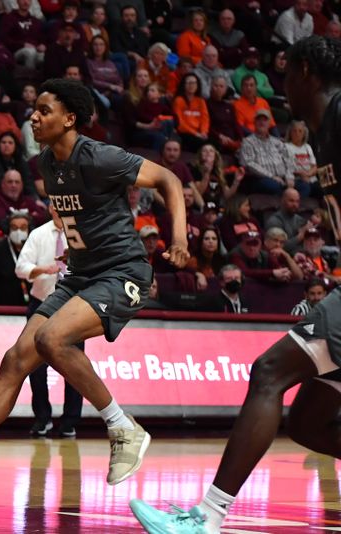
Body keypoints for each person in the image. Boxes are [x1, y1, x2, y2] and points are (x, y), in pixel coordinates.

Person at [0, 78, 189, 506]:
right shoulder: (48, 165)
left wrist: (178, 238)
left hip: (123, 271)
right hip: (80, 274)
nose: (33, 115)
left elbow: (168, 180)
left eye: (45, 110)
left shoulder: (99, 156)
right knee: (15, 359)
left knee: (51, 339)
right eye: (34, 108)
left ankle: (123, 427)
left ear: (70, 118)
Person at [129, 35, 341, 534]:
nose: (279, 84)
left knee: (268, 373)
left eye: (286, 71)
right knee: (309, 422)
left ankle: (206, 517)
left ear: (306, 70)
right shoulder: (324, 129)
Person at [16, 204, 83, 437]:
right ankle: (42, 418)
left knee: (74, 365)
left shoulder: (79, 233)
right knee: (35, 365)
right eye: (55, 205)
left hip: (72, 307)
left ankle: (70, 422)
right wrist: (41, 269)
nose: (59, 209)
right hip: (41, 304)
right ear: (50, 208)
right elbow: (20, 267)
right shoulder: (38, 234)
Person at [238, 109, 299, 196]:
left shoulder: (277, 142)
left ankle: (291, 202)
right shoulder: (248, 142)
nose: (261, 122)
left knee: (304, 186)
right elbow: (249, 164)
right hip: (260, 179)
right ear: (254, 122)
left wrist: (289, 176)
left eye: (265, 120)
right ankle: (285, 201)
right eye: (259, 120)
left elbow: (289, 158)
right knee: (274, 186)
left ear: (269, 123)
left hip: (283, 178)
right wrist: (272, 177)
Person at [0, 169, 47, 240]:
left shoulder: (28, 200)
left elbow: (42, 218)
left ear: (22, 185)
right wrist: (31, 216)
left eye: (17, 182)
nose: (13, 185)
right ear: (3, 184)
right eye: (10, 182)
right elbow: (2, 224)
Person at [284, 120, 320, 198]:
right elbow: (288, 167)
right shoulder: (286, 147)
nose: (297, 134)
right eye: (294, 131)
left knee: (324, 188)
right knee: (305, 187)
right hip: (297, 179)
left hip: (311, 179)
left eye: (300, 131)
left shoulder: (307, 147)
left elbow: (314, 166)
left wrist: (308, 174)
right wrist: (302, 174)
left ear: (304, 134)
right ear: (290, 133)